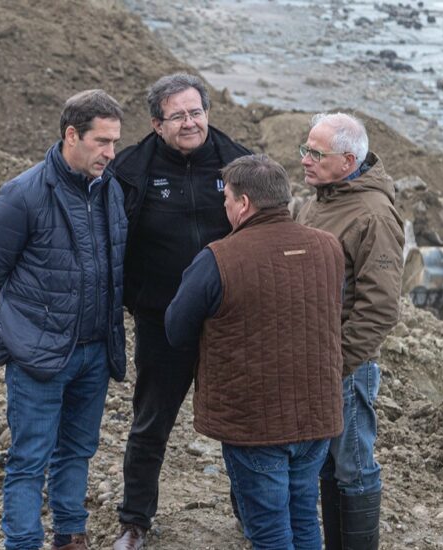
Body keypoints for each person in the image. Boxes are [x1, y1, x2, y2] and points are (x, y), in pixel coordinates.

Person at [0, 89, 128, 550]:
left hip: (95, 352)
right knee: (28, 460)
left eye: (115, 142)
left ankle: (69, 536)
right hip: (39, 357)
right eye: (102, 141)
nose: (111, 152)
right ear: (71, 135)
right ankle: (22, 543)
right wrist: (27, 327)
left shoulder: (110, 189)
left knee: (77, 452)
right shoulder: (22, 194)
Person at [165, 155, 346, 549]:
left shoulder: (219, 258)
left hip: (255, 422)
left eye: (227, 199)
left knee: (268, 530)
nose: (224, 207)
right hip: (317, 415)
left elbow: (176, 328)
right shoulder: (329, 248)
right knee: (303, 519)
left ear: (244, 203)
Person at [105, 73, 253, 550]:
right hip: (161, 320)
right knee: (150, 423)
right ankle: (134, 522)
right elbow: (110, 244)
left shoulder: (240, 164)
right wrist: (135, 299)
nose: (190, 122)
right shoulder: (130, 169)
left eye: (196, 112)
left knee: (243, 423)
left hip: (229, 320)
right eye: (178, 115)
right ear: (157, 123)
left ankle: (249, 514)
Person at [295, 113, 404, 550]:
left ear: (346, 160)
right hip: (317, 360)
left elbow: (380, 308)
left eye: (315, 153)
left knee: (353, 465)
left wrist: (338, 363)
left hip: (346, 366)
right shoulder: (318, 199)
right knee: (326, 464)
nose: (304, 159)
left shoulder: (374, 215)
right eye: (305, 149)